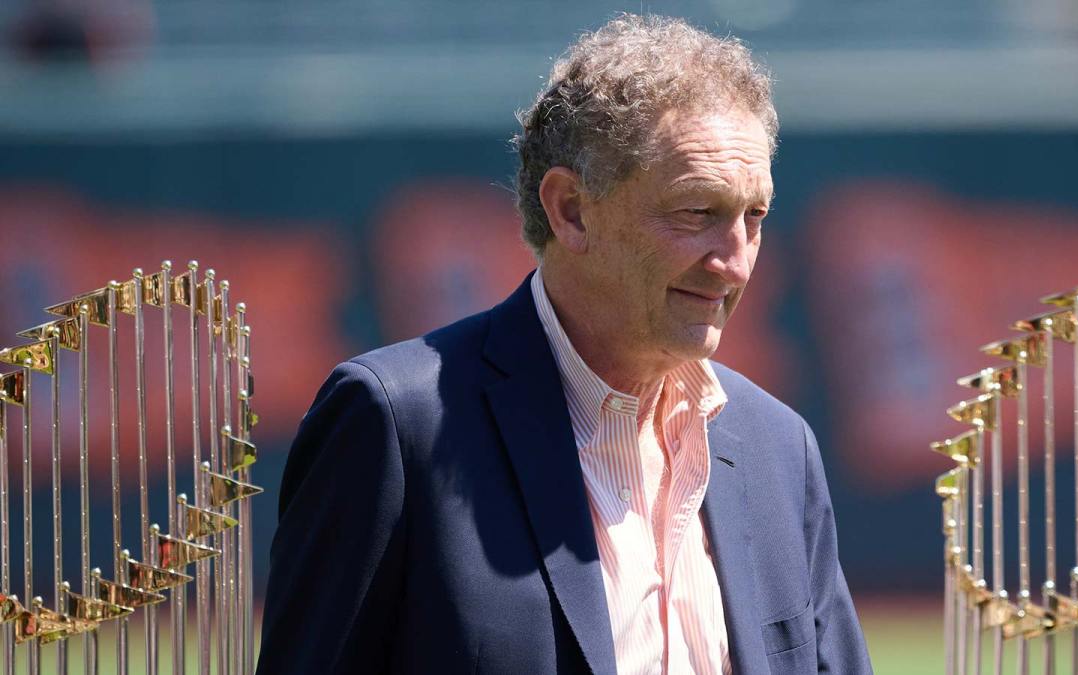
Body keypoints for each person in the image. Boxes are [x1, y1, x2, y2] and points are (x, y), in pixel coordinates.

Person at [257, 14, 872, 675]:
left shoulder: (779, 448)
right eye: (698, 212)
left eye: (754, 216)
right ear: (571, 210)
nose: (736, 261)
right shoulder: (396, 425)